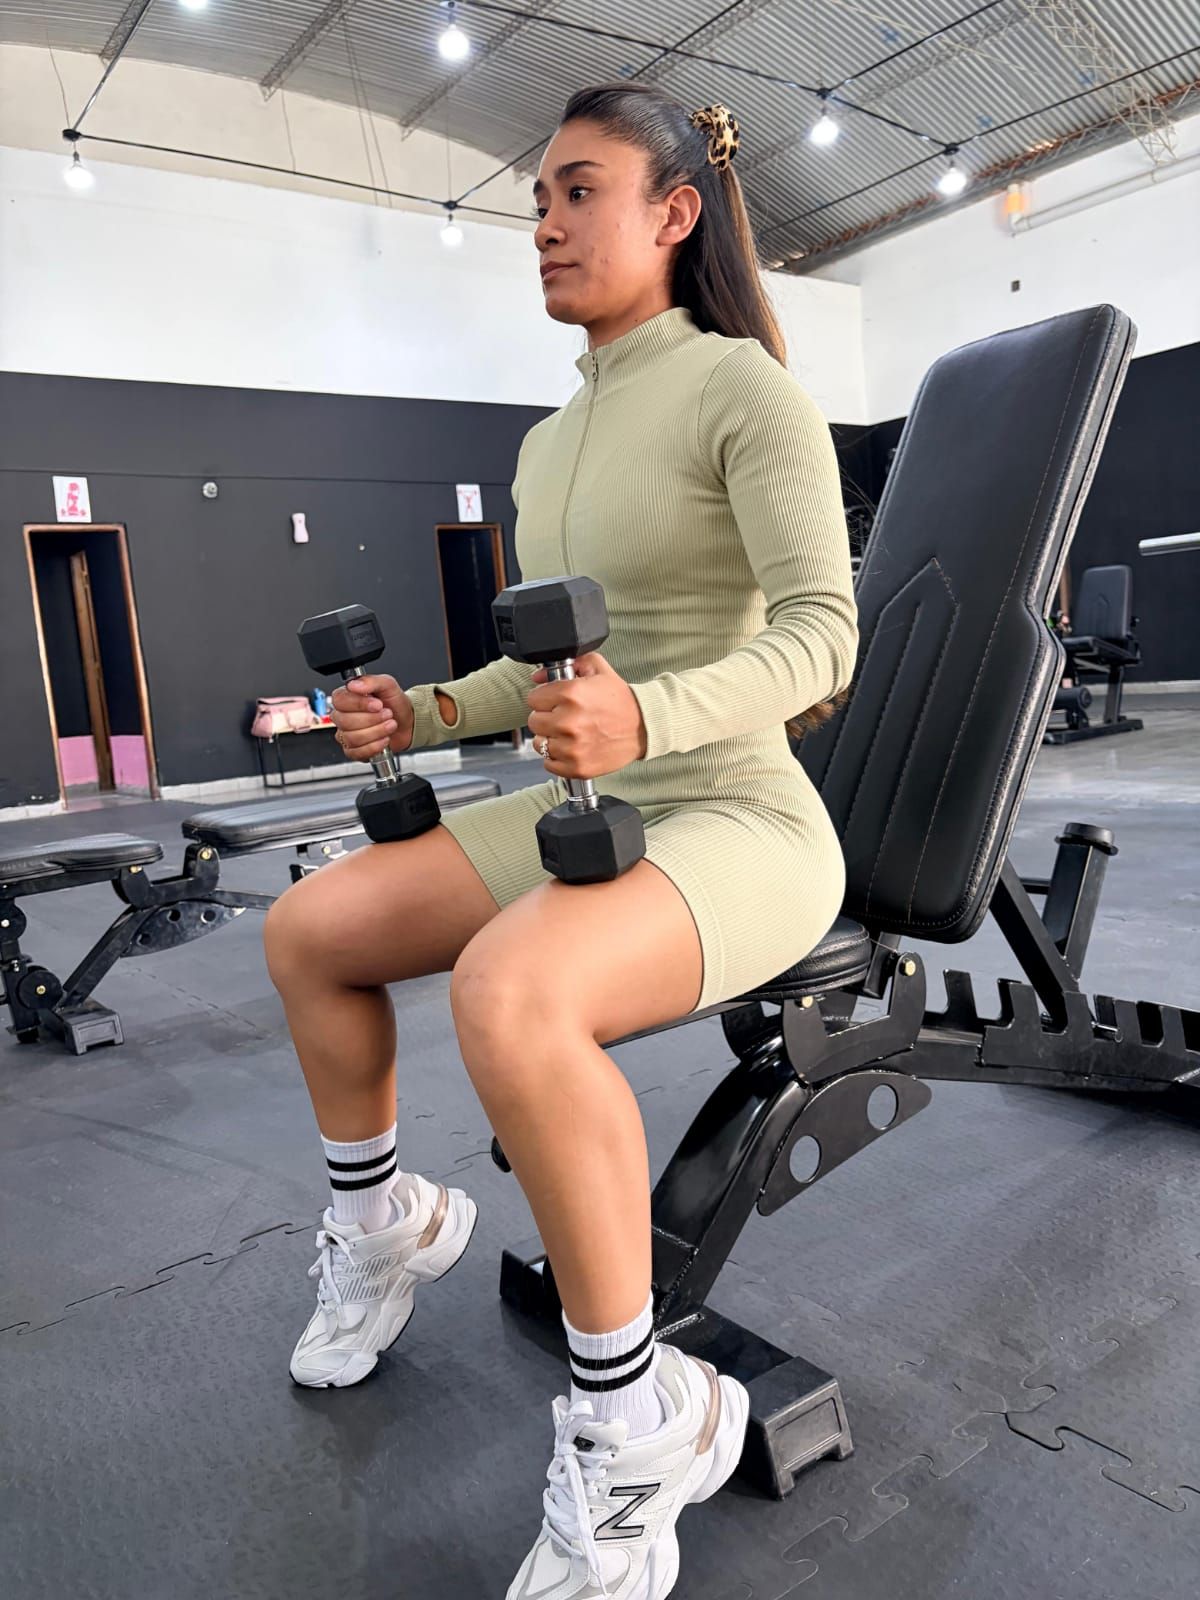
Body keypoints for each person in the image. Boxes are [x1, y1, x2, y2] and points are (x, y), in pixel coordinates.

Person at [263, 82, 859, 1600]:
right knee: (312, 930)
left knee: (509, 993)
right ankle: (387, 1223)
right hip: (596, 799)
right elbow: (547, 671)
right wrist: (429, 709)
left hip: (737, 809)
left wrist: (648, 721)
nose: (545, 223)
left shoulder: (744, 390)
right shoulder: (549, 441)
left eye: (579, 192)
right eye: (537, 201)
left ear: (674, 212)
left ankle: (636, 1418)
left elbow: (823, 639)